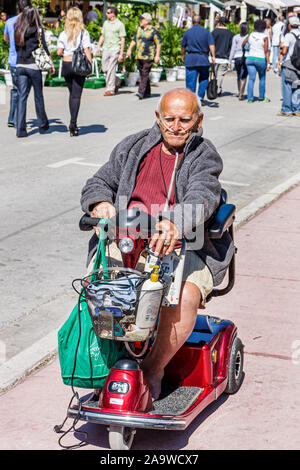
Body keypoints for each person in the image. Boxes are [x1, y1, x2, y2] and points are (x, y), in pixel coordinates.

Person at [80, 88, 234, 400]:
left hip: (187, 246)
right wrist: (99, 204)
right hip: (127, 240)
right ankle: (110, 364)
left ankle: (153, 369)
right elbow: (98, 182)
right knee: (99, 288)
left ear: (198, 120)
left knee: (184, 297)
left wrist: (176, 222)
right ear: (158, 118)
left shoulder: (204, 154)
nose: (176, 126)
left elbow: (204, 195)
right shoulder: (133, 146)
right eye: (169, 119)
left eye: (185, 120)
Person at [14, 5, 54, 138]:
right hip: (33, 66)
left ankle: (20, 130)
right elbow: (44, 48)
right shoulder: (38, 30)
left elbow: (16, 47)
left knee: (21, 97)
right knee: (38, 96)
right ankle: (43, 126)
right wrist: (51, 63)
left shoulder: (18, 29)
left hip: (20, 66)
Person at [57, 7, 92, 136]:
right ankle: (73, 124)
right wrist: (90, 66)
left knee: (72, 94)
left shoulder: (63, 33)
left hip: (66, 65)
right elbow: (87, 50)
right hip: (78, 66)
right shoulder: (84, 33)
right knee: (76, 95)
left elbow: (59, 52)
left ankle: (73, 122)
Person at [4, 0, 32, 129]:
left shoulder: (9, 22)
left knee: (15, 90)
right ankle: (20, 122)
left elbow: (6, 38)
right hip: (24, 61)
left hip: (13, 61)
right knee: (23, 93)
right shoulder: (29, 22)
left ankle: (12, 118)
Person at [126, 12, 162, 100]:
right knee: (143, 73)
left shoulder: (153, 30)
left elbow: (159, 43)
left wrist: (157, 55)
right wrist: (129, 49)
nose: (140, 20)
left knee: (145, 72)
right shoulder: (139, 29)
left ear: (147, 21)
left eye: (142, 19)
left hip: (148, 56)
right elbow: (134, 40)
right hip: (139, 55)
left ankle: (141, 92)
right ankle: (147, 91)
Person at [181, 15, 215, 105]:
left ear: (192, 22)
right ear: (201, 22)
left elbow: (183, 46)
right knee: (204, 79)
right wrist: (213, 56)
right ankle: (200, 98)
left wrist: (183, 55)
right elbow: (211, 45)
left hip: (191, 59)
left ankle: (191, 99)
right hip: (203, 59)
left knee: (190, 80)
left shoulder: (187, 32)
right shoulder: (206, 32)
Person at [96, 6, 126, 97]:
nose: (106, 14)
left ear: (113, 14)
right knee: (105, 68)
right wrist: (98, 47)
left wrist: (121, 53)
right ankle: (117, 80)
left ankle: (110, 89)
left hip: (115, 49)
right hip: (106, 48)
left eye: (108, 12)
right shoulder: (106, 23)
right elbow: (102, 36)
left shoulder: (120, 24)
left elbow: (122, 39)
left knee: (111, 69)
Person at [277, 16, 300, 117]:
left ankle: (287, 110)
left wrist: (281, 49)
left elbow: (285, 51)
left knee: (287, 87)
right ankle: (297, 109)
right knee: (297, 86)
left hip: (289, 64)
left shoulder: (289, 36)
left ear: (289, 25)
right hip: (298, 65)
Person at [244, 19, 271, 103]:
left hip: (250, 58)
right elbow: (266, 51)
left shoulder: (251, 35)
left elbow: (243, 44)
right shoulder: (265, 37)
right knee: (262, 78)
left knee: (251, 79)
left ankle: (250, 98)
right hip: (261, 59)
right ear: (264, 28)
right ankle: (261, 97)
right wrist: (269, 63)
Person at [212, 17, 234, 97]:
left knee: (214, 74)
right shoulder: (230, 33)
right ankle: (217, 90)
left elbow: (211, 44)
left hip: (214, 57)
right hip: (225, 58)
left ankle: (215, 88)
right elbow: (231, 46)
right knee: (220, 74)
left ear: (219, 23)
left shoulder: (214, 32)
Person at [229, 21, 249, 100]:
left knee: (238, 74)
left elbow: (233, 49)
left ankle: (239, 91)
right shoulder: (249, 37)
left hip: (237, 57)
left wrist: (230, 60)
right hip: (245, 57)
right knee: (244, 75)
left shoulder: (236, 37)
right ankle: (241, 93)